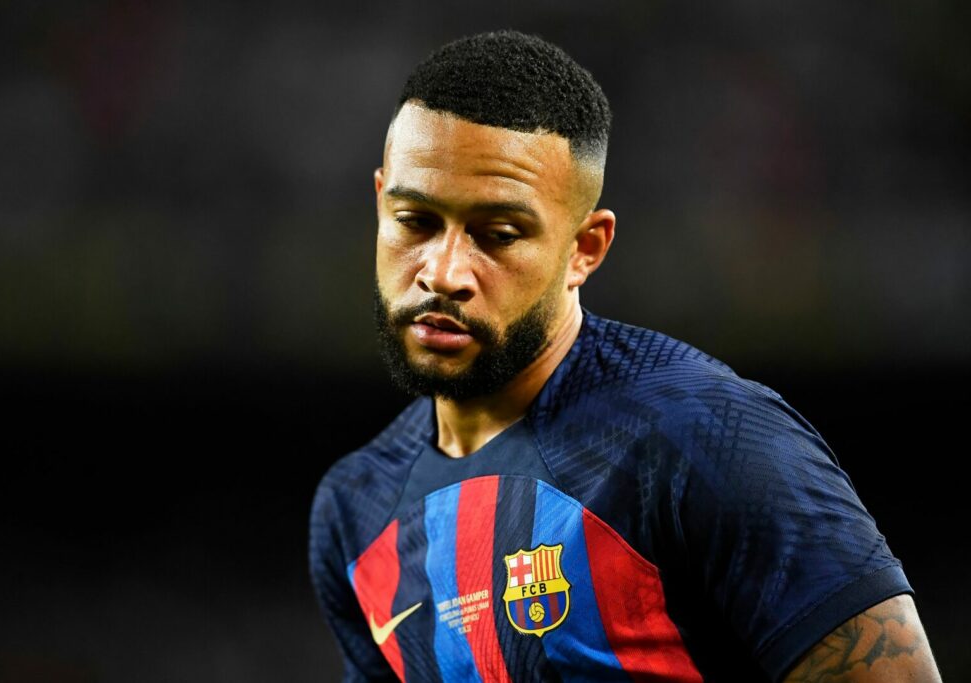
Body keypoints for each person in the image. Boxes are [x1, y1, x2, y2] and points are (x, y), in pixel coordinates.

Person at [308, 30, 942, 682]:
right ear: (380, 200)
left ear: (585, 248)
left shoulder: (708, 439)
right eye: (415, 221)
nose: (442, 273)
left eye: (498, 234)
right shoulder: (356, 511)